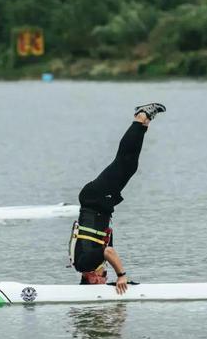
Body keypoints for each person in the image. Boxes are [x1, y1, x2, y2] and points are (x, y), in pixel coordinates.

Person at [69, 103, 166, 294]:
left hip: (94, 199)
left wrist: (121, 274)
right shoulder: (92, 261)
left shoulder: (84, 265)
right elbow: (108, 244)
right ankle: (143, 123)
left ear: (91, 278)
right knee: (129, 165)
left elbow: (109, 252)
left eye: (102, 279)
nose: (105, 278)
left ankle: (140, 117)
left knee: (123, 163)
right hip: (100, 202)